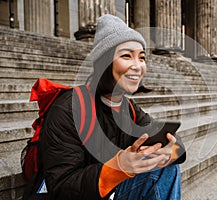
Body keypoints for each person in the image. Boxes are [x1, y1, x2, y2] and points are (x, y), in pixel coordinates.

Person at [23, 14, 186, 200]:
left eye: (141, 57)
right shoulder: (68, 109)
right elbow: (61, 186)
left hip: (109, 192)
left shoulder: (129, 109)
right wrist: (118, 167)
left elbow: (175, 143)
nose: (138, 66)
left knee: (167, 166)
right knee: (160, 173)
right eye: (127, 56)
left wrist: (169, 152)